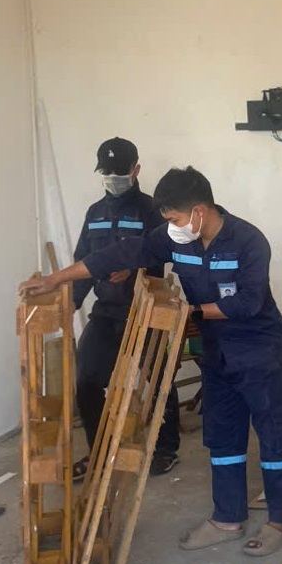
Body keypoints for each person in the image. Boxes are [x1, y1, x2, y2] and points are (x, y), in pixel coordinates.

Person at [21, 166, 282, 557]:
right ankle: (227, 518)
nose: (173, 228)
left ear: (199, 211)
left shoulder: (248, 241)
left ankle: (280, 521)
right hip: (216, 351)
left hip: (258, 349)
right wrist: (57, 279)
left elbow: (248, 303)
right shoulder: (175, 239)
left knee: (273, 431)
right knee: (223, 435)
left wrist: (189, 313)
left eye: (176, 219)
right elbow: (115, 255)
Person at [72, 137, 180, 480]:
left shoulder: (151, 210)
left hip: (146, 309)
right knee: (86, 380)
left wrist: (133, 270)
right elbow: (83, 261)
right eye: (107, 172)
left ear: (136, 170)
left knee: (159, 378)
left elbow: (165, 254)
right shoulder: (95, 213)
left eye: (120, 172)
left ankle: (165, 448)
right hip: (107, 311)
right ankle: (99, 451)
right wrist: (71, 302)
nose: (113, 178)